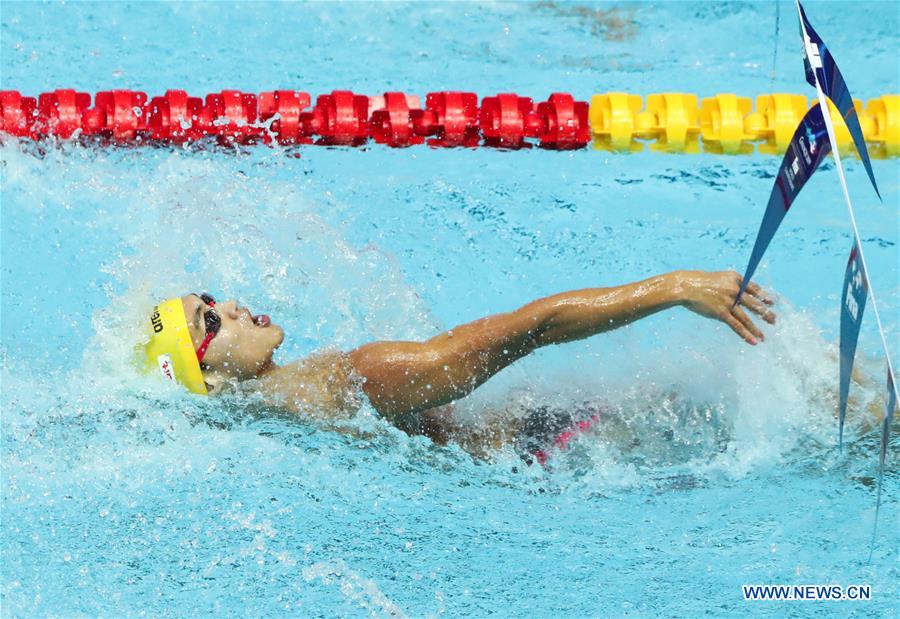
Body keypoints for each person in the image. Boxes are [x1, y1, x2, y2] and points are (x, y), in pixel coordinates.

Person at [143, 269, 775, 460]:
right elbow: (531, 328)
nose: (230, 305)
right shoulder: (350, 381)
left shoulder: (277, 414)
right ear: (210, 378)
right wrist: (674, 289)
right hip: (564, 448)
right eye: (210, 322)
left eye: (210, 298)